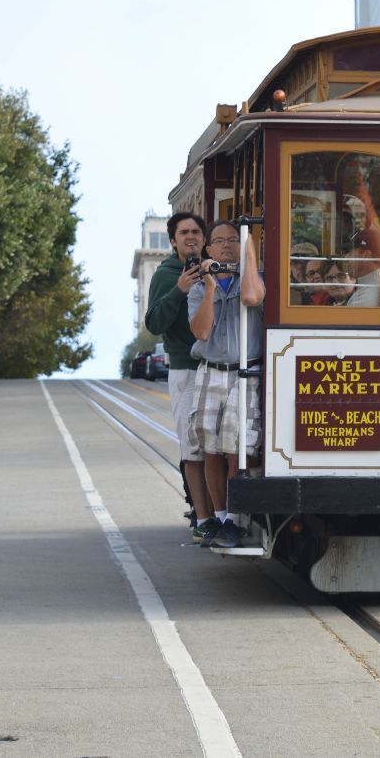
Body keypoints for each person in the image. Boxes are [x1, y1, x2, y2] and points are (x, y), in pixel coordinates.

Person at [187, 220, 266, 549]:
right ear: (208, 249)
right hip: (211, 370)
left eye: (234, 240)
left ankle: (233, 520)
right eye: (218, 241)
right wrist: (209, 287)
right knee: (211, 448)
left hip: (244, 371)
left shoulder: (255, 277)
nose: (225, 246)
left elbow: (251, 296)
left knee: (237, 447)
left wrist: (248, 254)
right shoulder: (198, 287)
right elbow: (202, 332)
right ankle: (218, 517)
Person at [144, 212, 213, 541]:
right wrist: (179, 290)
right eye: (184, 232)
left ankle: (222, 514)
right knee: (192, 446)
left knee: (219, 445)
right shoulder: (166, 274)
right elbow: (154, 323)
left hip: (216, 367)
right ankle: (201, 517)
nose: (191, 237)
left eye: (196, 232)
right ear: (173, 241)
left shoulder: (214, 269)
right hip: (185, 369)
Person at [346, 228, 380, 307]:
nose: (346, 257)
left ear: (366, 255)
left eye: (350, 252)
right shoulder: (378, 284)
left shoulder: (365, 297)